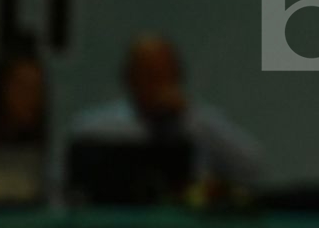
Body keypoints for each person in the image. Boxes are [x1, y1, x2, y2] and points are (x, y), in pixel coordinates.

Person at [66, 34, 264, 194]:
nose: (158, 83)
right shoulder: (94, 129)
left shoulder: (200, 123)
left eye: (165, 73)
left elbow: (252, 167)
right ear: (129, 78)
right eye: (148, 74)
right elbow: (67, 185)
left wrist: (191, 117)